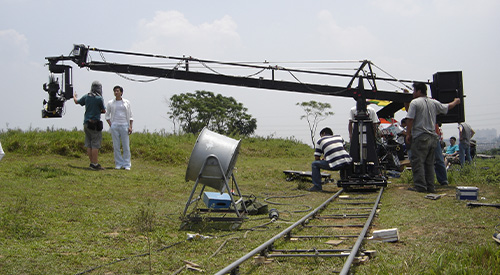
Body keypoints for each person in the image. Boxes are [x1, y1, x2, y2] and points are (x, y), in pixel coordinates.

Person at [405, 82, 460, 193]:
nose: (413, 93)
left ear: (419, 91)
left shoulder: (415, 103)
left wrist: (408, 134)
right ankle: (430, 186)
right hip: (432, 138)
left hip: (420, 137)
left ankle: (420, 186)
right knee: (429, 164)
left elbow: (410, 119)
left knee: (418, 162)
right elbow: (447, 107)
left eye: (414, 91)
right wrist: (456, 101)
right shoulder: (433, 102)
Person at [74, 81, 106, 170]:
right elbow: (104, 110)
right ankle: (95, 164)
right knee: (95, 144)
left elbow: (77, 102)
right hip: (95, 123)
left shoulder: (86, 96)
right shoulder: (99, 98)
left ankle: (92, 163)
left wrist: (74, 96)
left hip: (86, 123)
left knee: (89, 144)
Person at [310, 127, 352, 192]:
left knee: (314, 164)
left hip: (335, 165)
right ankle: (345, 183)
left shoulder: (320, 141)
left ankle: (317, 186)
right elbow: (342, 150)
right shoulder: (339, 137)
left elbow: (317, 158)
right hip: (348, 162)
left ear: (323, 133)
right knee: (342, 162)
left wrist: (323, 159)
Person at [105, 85, 134, 170]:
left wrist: (130, 126)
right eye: (115, 91)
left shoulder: (126, 102)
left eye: (118, 91)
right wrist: (111, 124)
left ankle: (127, 164)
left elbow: (131, 115)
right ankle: (118, 163)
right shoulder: (110, 103)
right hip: (115, 125)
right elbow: (107, 115)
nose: (116, 92)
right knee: (116, 146)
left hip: (124, 125)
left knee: (126, 146)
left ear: (121, 92)